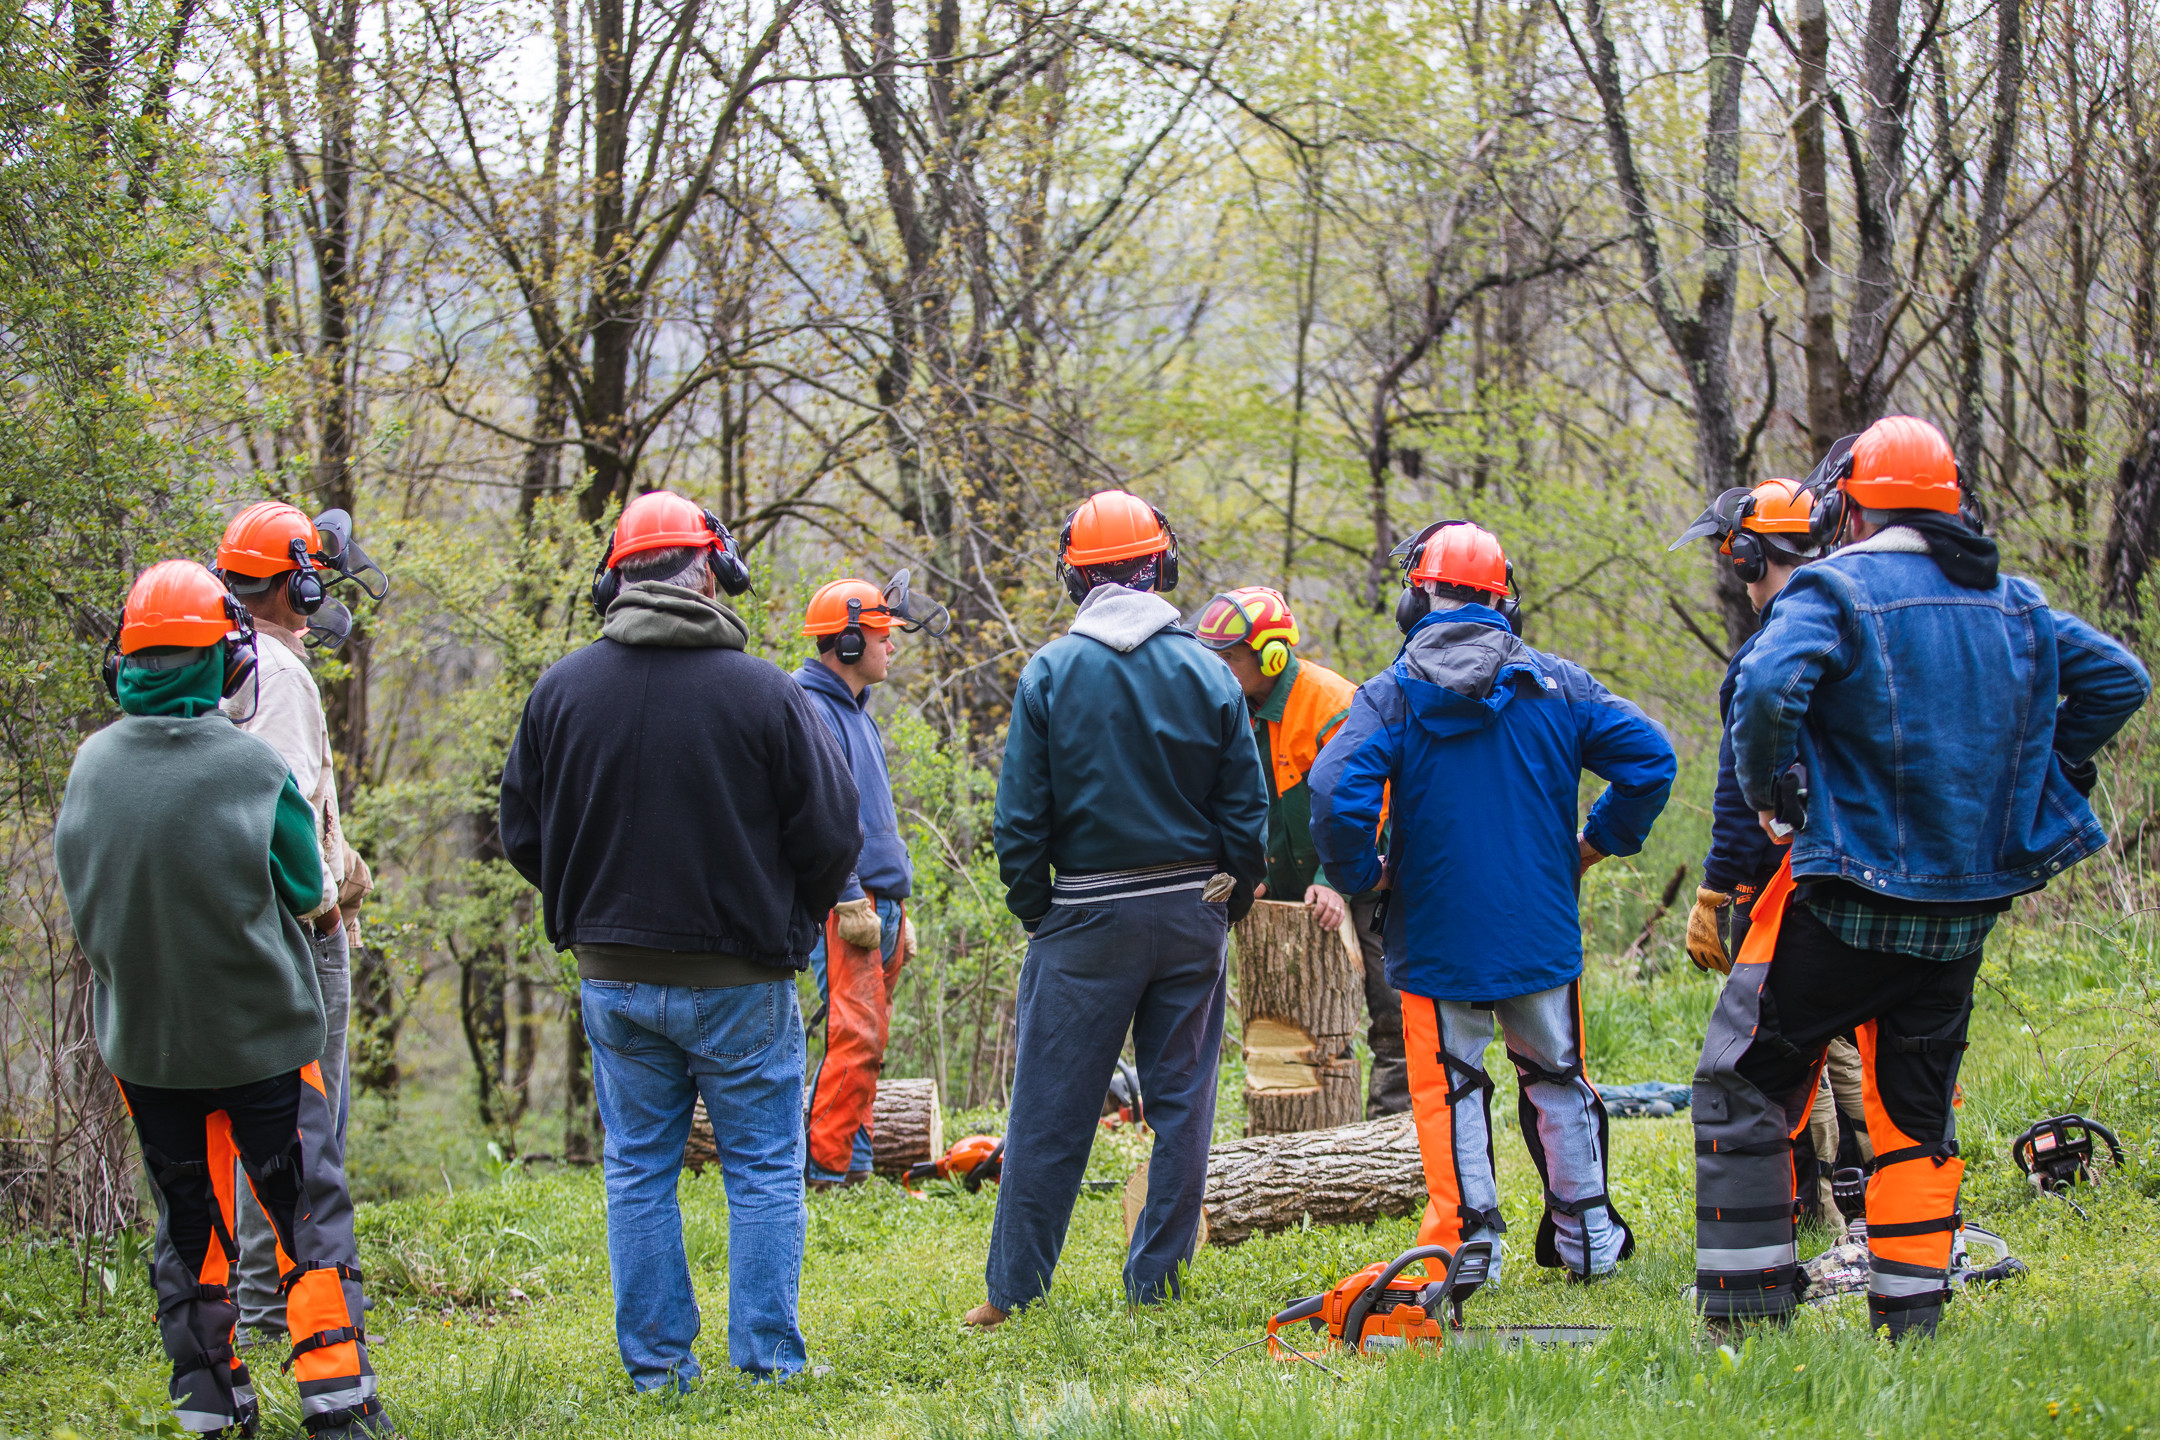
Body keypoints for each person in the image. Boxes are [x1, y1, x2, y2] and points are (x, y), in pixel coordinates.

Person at [1694, 416, 2149, 1338]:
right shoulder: (2014, 601)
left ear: (1851, 507)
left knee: (1741, 1080)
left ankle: (1744, 1319)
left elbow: (1765, 687)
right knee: (1915, 1106)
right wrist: (2030, 780)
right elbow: (2119, 679)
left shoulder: (1834, 586)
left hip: (1852, 900)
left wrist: (1777, 796)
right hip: (1963, 907)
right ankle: (1910, 1317)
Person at [498, 491, 861, 1389]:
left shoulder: (560, 691)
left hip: (614, 980)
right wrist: (782, 921)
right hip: (742, 979)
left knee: (637, 1170)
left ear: (616, 577)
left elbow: (521, 835)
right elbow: (831, 837)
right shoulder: (769, 695)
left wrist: (592, 911)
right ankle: (771, 1364)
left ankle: (659, 1369)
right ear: (713, 570)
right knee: (766, 1171)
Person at [55, 560, 391, 1439]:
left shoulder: (89, 770)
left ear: (124, 660)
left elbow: (85, 901)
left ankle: (208, 1402)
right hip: (266, 1046)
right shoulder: (250, 765)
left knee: (189, 1226)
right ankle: (339, 1402)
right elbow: (307, 887)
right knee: (303, 1217)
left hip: (148, 1049)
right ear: (225, 661)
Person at [1310, 521, 1675, 1285]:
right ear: (1505, 602)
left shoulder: (1390, 696)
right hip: (1540, 933)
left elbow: (1335, 792)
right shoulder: (1560, 684)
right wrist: (1594, 844)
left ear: (1419, 596)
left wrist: (1362, 874)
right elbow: (1650, 760)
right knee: (1560, 1081)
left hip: (1437, 941)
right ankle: (1591, 1244)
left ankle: (1468, 1252)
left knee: (1452, 1093)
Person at [967, 490, 1268, 1330]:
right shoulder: (1211, 670)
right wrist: (1231, 899)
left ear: (1076, 577)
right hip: (1188, 912)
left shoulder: (1052, 671)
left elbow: (1019, 822)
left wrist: (1039, 911)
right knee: (1182, 1107)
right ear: (1159, 564)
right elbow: (1246, 811)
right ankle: (1155, 1287)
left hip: (1085, 917)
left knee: (1050, 1109)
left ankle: (1014, 1293)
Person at [1668, 479, 1866, 1216]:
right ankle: (1875, 1186)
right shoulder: (1857, 631)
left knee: (1783, 1040)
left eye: (1734, 557)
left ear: (1753, 557)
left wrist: (1719, 888)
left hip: (1787, 882)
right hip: (1863, 867)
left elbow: (1737, 790)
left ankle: (1807, 1201)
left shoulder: (1766, 658)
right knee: (1852, 1037)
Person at [214, 499, 377, 1343]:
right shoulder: (278, 678)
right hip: (295, 933)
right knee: (309, 1123)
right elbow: (271, 813)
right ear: (296, 586)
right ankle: (286, 1307)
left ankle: (279, 1296)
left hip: (258, 929)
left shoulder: (228, 661)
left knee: (282, 1122)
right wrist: (330, 885)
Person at [1194, 584, 1407, 1116]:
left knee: (1391, 1008)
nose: (1218, 665)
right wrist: (1243, 869)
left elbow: (1373, 799)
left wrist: (1335, 878)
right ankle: (1300, 1133)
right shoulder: (1227, 706)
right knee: (1292, 1021)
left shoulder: (1331, 701)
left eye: (1229, 655)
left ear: (1271, 653)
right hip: (1278, 888)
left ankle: (1391, 1129)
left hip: (1362, 873)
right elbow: (1224, 799)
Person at [794, 572, 949, 1188]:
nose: (894, 646)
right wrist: (848, 893)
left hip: (879, 901)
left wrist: (895, 906)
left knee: (871, 1039)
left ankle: (851, 1162)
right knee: (851, 1036)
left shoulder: (857, 713)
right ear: (850, 644)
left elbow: (873, 815)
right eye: (884, 636)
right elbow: (817, 816)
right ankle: (827, 1174)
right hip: (849, 903)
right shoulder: (813, 711)